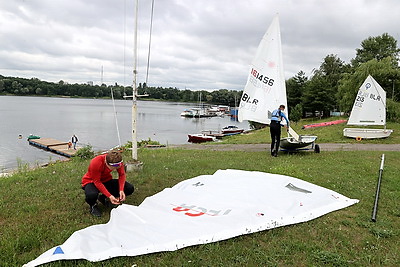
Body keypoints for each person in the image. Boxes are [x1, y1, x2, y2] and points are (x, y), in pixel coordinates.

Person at [81, 151, 134, 217]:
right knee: (91, 195)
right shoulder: (96, 162)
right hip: (91, 181)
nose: (115, 169)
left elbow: (122, 175)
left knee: (129, 188)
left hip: (106, 180)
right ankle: (93, 205)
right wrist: (110, 196)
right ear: (106, 162)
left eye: (117, 167)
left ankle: (103, 198)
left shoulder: (117, 161)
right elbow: (97, 182)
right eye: (113, 168)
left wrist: (121, 190)